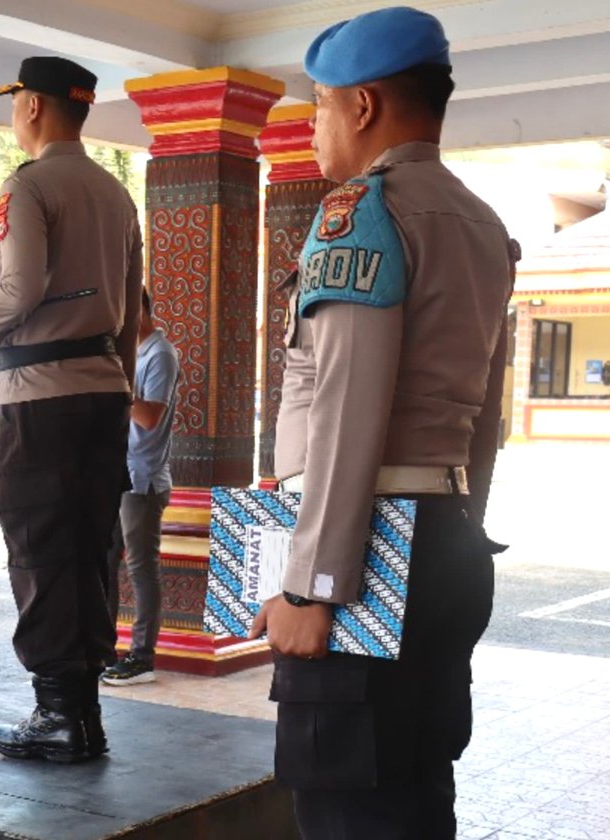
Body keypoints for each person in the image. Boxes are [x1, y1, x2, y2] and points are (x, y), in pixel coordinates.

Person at [249, 9, 515, 836]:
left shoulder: (360, 213)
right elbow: (485, 413)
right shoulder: (481, 223)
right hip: (443, 537)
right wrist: (460, 522)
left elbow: (344, 408)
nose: (317, 125)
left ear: (363, 107)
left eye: (321, 105)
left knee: (348, 807)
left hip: (367, 555)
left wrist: (312, 583)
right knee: (413, 791)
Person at [0, 56, 142, 763]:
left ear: (32, 106)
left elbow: (19, 288)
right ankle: (81, 713)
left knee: (39, 550)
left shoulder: (27, 188)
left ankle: (59, 716)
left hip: (39, 400)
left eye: (18, 99)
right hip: (103, 395)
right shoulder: (116, 194)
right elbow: (129, 317)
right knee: (91, 550)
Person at [102, 291, 179, 687]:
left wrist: (115, 387)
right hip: (120, 473)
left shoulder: (159, 355)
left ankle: (142, 657)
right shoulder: (130, 355)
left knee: (141, 568)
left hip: (143, 479)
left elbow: (149, 416)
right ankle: (105, 648)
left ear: (140, 311)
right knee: (106, 561)